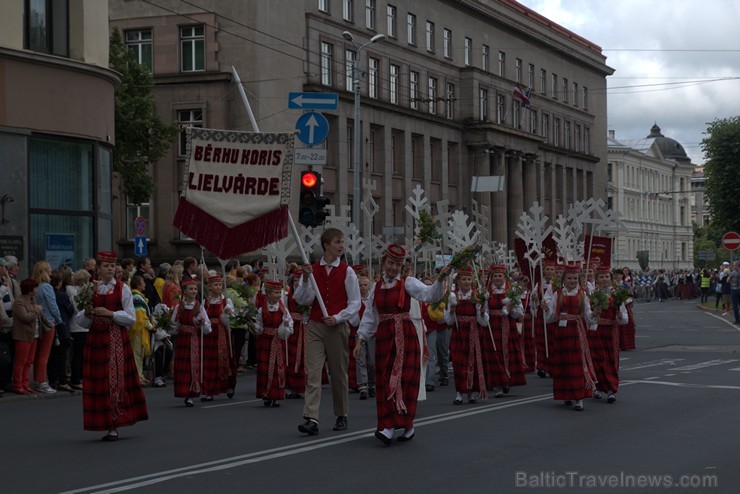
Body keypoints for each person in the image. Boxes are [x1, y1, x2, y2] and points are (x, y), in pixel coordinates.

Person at [354, 245, 450, 444]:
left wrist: (440, 279)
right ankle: (387, 425)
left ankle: (406, 424)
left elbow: (430, 295)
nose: (393, 267)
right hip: (384, 337)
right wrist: (360, 339)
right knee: (384, 379)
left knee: (405, 379)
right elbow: (370, 317)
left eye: (397, 264)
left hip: (405, 336)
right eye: (390, 263)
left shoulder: (408, 283)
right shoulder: (376, 287)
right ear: (383, 263)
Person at [73, 252, 148, 440]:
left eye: (112, 266)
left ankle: (114, 424)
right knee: (98, 383)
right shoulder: (91, 289)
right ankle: (102, 421)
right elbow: (81, 322)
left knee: (114, 382)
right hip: (96, 340)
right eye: (106, 266)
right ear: (98, 269)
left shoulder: (123, 289)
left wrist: (111, 314)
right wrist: (88, 313)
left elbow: (131, 318)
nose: (110, 269)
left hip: (115, 339)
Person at [294, 228, 361, 436]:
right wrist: (305, 280)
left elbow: (355, 303)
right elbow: (301, 300)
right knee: (313, 373)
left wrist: (338, 317)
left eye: (342, 242)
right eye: (337, 242)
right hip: (315, 326)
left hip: (337, 326)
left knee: (338, 372)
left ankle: (342, 414)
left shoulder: (347, 271)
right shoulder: (312, 271)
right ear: (326, 245)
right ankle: (311, 418)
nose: (341, 245)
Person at [543, 262, 597, 412]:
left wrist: (595, 313)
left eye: (575, 278)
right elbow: (551, 317)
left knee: (578, 365)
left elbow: (588, 316)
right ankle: (566, 394)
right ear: (564, 279)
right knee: (563, 365)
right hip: (562, 334)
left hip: (577, 333)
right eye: (570, 278)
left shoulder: (582, 294)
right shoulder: (557, 294)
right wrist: (546, 309)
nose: (572, 281)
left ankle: (579, 398)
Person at [444, 264, 490, 405]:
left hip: (472, 334)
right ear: (458, 281)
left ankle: (470, 392)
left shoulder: (477, 296)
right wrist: (451, 311)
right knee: (458, 364)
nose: (467, 282)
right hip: (458, 334)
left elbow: (483, 322)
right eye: (464, 279)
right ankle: (459, 393)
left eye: (469, 279)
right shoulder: (453, 297)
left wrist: (482, 312)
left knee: (472, 363)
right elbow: (448, 321)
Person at [485, 264, 527, 397]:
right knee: (495, 355)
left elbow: (519, 312)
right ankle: (498, 384)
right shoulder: (486, 292)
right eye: (495, 276)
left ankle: (506, 380)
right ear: (491, 278)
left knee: (507, 353)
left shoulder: (511, 291)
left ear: (504, 277)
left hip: (507, 326)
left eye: (500, 276)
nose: (498, 279)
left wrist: (511, 309)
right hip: (492, 327)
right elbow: (484, 311)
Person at [589, 266, 628, 403]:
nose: (604, 279)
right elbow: (588, 316)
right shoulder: (592, 294)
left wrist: (619, 314)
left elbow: (624, 319)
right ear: (597, 279)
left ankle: (611, 389)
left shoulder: (616, 294)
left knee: (610, 359)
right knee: (597, 359)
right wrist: (594, 312)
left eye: (606, 277)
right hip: (597, 331)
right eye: (601, 277)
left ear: (610, 279)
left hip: (611, 331)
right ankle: (598, 387)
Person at [171, 278, 211, 406]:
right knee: (183, 367)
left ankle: (191, 394)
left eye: (195, 289)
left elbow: (207, 329)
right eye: (191, 289)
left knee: (193, 367)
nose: (194, 291)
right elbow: (174, 325)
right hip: (183, 340)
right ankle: (184, 392)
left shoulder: (200, 307)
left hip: (194, 340)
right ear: (185, 291)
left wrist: (203, 323)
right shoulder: (179, 307)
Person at [255, 279, 293, 407]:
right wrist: (255, 327)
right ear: (268, 294)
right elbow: (259, 326)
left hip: (278, 342)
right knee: (264, 369)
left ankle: (276, 395)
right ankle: (266, 394)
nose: (278, 295)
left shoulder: (283, 310)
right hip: (265, 342)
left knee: (278, 369)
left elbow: (289, 326)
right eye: (276, 292)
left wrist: (286, 326)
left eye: (279, 292)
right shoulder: (262, 310)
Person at [201, 274, 235, 401]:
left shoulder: (226, 301)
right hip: (209, 334)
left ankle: (229, 386)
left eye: (220, 285)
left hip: (222, 333)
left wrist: (228, 314)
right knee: (209, 362)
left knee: (225, 360)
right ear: (209, 287)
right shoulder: (205, 302)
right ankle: (209, 390)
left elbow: (232, 319)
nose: (218, 287)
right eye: (215, 285)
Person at [31, 261, 62, 394]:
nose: (51, 271)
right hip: (49, 322)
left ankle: (38, 380)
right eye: (49, 268)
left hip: (38, 322)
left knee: (38, 353)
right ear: (44, 271)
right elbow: (53, 306)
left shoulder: (36, 286)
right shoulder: (47, 287)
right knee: (45, 354)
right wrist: (59, 320)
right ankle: (42, 382)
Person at [11, 279, 42, 394]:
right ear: (30, 290)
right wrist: (36, 311)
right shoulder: (19, 302)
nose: (36, 290)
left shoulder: (32, 300)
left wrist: (35, 310)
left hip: (34, 335)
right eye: (35, 287)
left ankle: (25, 383)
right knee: (21, 362)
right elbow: (25, 317)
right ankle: (17, 384)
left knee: (29, 361)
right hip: (23, 336)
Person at [49, 271, 74, 391]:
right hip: (63, 328)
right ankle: (62, 381)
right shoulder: (62, 295)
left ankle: (52, 380)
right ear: (60, 282)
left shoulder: (48, 294)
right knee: (62, 357)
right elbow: (70, 310)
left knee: (52, 356)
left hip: (50, 327)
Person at [285, 268, 308, 399]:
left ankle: (301, 386)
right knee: (290, 357)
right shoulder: (288, 294)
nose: (296, 282)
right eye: (294, 280)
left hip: (303, 327)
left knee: (303, 357)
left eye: (299, 279)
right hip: (291, 328)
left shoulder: (306, 293)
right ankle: (289, 386)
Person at [67, 269, 91, 390]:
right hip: (78, 327)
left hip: (82, 327)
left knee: (81, 355)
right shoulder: (76, 293)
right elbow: (78, 309)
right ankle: (76, 379)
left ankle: (80, 377)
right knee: (78, 355)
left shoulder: (77, 292)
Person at [129, 275, 153, 385]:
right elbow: (140, 316)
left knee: (140, 354)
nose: (145, 284)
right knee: (136, 354)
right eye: (143, 282)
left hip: (140, 329)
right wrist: (151, 327)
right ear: (138, 285)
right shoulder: (136, 297)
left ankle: (140, 375)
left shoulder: (138, 296)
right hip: (137, 330)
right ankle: (137, 377)